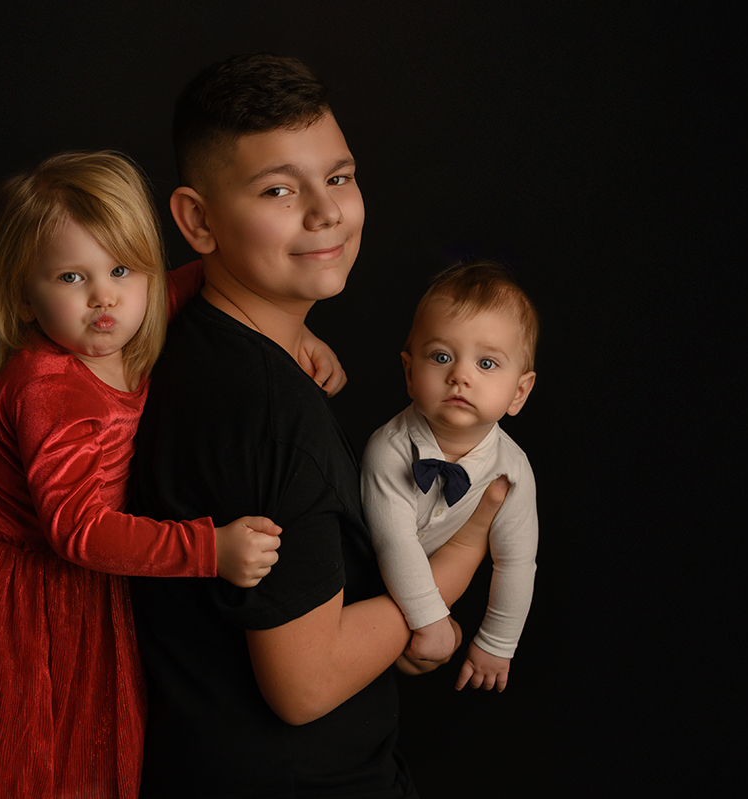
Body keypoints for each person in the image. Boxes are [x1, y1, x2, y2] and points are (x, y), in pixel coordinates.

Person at [0, 150, 345, 798]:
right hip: (15, 594)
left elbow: (202, 278)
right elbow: (78, 529)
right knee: (9, 767)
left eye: (120, 268)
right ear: (23, 297)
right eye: (70, 277)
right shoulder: (49, 386)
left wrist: (289, 334)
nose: (103, 296)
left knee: (73, 765)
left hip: (79, 591)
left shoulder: (128, 319)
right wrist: (209, 548)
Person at [129, 54, 509, 798]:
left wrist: (389, 624)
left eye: (339, 177)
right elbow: (304, 684)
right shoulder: (272, 413)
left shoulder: (191, 341)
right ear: (197, 220)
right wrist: (449, 571)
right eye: (278, 189)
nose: (326, 212)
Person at [362, 261, 538, 692]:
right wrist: (431, 619)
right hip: (357, 575)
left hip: (421, 591)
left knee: (416, 660)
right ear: (409, 373)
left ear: (519, 392)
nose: (460, 375)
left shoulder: (513, 470)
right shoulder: (389, 448)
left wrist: (497, 642)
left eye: (487, 363)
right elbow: (394, 540)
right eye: (441, 357)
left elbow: (515, 561)